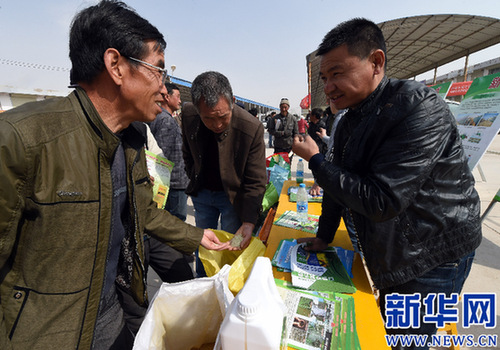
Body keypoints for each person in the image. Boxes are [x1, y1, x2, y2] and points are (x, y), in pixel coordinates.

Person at [0, 2, 231, 349]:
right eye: (158, 70)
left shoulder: (132, 138)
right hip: (46, 333)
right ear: (116, 66)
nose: (164, 88)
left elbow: (144, 211)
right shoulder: (22, 139)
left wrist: (196, 236)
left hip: (110, 318)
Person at [292, 18, 481, 350]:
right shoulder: (350, 118)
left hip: (432, 255)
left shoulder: (417, 106)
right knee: (386, 332)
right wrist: (323, 237)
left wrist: (315, 160)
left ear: (376, 62)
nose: (330, 86)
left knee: (405, 342)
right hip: (395, 251)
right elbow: (340, 184)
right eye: (324, 77)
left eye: (337, 73)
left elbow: (381, 200)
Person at [182, 71, 267, 252]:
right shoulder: (189, 114)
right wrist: (193, 175)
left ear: (233, 101)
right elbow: (187, 151)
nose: (217, 125)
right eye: (209, 118)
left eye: (222, 117)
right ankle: (203, 278)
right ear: (198, 110)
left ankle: (228, 278)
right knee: (205, 247)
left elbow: (256, 180)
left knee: (231, 246)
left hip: (233, 198)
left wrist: (249, 221)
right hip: (202, 195)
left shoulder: (251, 127)